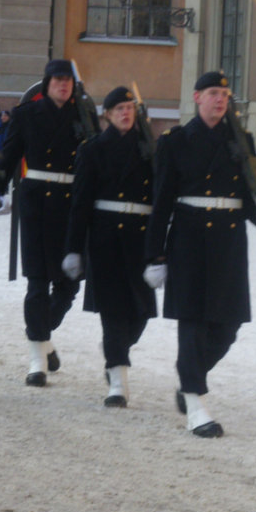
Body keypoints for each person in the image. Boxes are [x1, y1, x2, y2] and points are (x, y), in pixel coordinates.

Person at [144, 71, 256, 438]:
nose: (220, 99)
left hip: (228, 242)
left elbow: (249, 195)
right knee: (192, 323)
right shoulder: (176, 142)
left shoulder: (240, 141)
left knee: (227, 328)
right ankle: (196, 403)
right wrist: (155, 255)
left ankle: (189, 378)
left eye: (224, 94)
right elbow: (161, 203)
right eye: (213, 93)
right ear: (197, 98)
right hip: (189, 240)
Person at [0, 58, 100, 386]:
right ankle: (36, 360)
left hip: (73, 204)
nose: (63, 85)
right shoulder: (26, 115)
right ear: (46, 83)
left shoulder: (84, 115)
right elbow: (9, 157)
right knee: (37, 283)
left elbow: (98, 159)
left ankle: (41, 335)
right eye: (57, 80)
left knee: (68, 285)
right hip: (37, 202)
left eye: (67, 80)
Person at [62, 86, 157, 408]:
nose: (125, 113)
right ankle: (118, 379)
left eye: (130, 108)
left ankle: (116, 353)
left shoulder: (150, 149)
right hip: (105, 241)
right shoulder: (93, 150)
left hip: (141, 239)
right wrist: (74, 248)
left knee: (140, 314)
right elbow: (80, 203)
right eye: (119, 109)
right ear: (107, 115)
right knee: (114, 314)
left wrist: (162, 248)